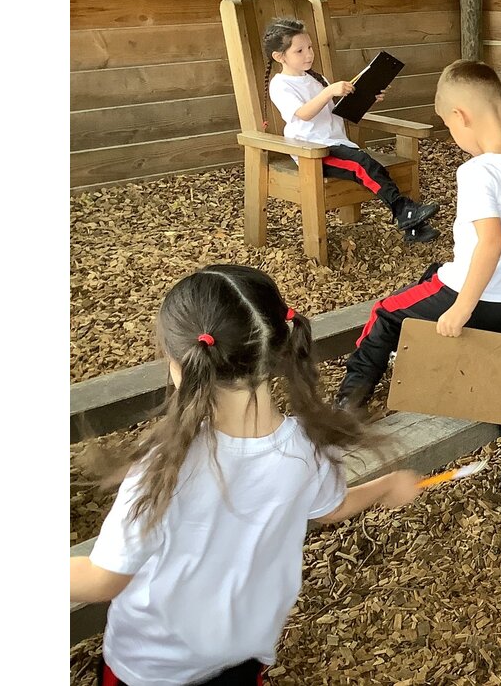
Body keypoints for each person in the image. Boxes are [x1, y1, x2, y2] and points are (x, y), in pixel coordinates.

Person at [69, 264, 423, 686]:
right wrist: (386, 485)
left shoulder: (162, 466)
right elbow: (331, 507)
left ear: (180, 365)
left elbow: (103, 580)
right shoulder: (308, 448)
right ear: (277, 348)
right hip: (243, 647)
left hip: (152, 667)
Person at [334, 60, 501, 521]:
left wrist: (461, 308)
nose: (454, 137)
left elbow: (490, 242)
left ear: (461, 116)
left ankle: (346, 413)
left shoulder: (478, 172)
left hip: (465, 292)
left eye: (450, 128)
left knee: (385, 315)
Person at [263, 17, 439, 241]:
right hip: (313, 151)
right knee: (362, 164)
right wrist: (329, 91)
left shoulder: (316, 79)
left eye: (310, 47)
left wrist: (368, 97)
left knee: (370, 166)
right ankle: (404, 211)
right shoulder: (281, 85)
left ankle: (414, 227)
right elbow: (303, 113)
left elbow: (340, 111)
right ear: (279, 57)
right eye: (299, 51)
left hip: (338, 145)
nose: (308, 54)